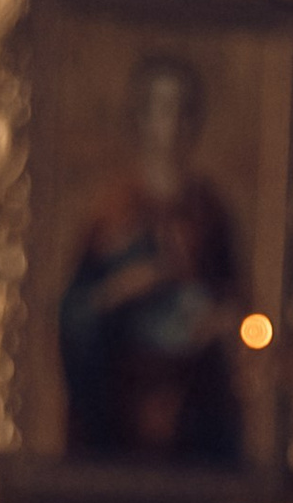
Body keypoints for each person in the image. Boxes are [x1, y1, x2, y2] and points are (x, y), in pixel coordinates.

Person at [57, 47, 243, 461]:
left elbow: (237, 304)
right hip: (121, 399)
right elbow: (74, 314)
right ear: (140, 118)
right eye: (160, 109)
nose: (171, 124)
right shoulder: (112, 209)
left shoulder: (209, 210)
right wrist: (121, 290)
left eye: (181, 110)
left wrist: (221, 321)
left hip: (195, 404)